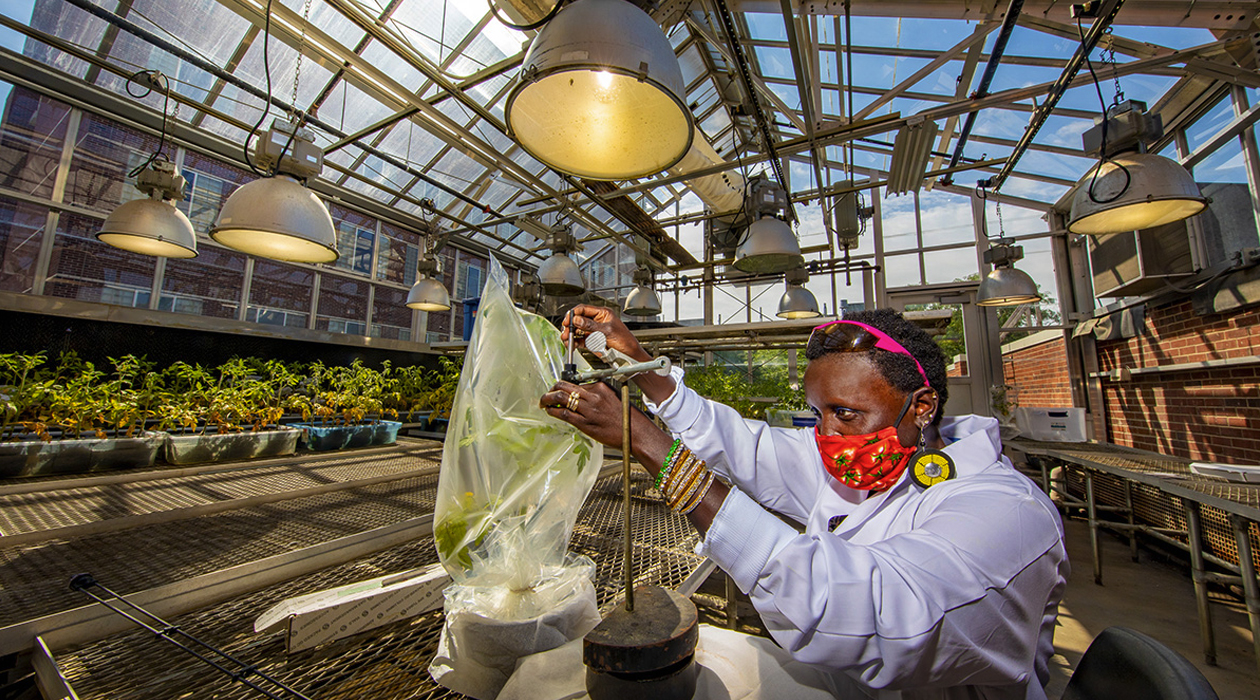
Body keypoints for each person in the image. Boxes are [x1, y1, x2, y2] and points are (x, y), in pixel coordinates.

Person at [539, 305, 1069, 700]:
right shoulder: (854, 462)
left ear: (922, 405)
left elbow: (872, 614)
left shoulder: (1009, 514)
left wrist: (648, 442)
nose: (827, 435)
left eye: (846, 413)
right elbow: (740, 443)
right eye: (818, 413)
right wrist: (639, 362)